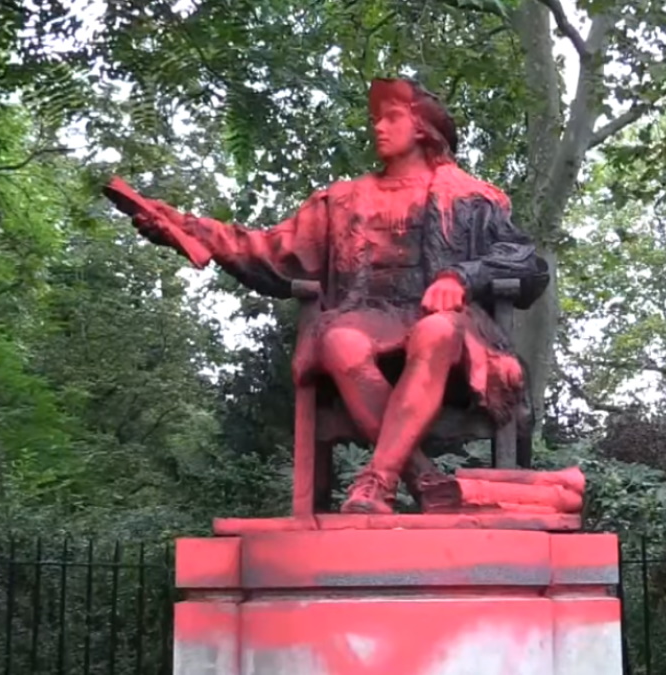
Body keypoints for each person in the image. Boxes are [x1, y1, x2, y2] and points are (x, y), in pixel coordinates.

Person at [127, 78, 550, 514]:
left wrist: (461, 277)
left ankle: (380, 480)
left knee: (436, 331)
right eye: (375, 120)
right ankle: (424, 479)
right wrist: (187, 231)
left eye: (391, 118)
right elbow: (273, 250)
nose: (378, 128)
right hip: (370, 316)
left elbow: (526, 263)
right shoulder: (343, 200)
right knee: (337, 341)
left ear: (422, 127)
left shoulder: (470, 197)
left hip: (453, 328)